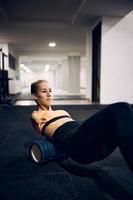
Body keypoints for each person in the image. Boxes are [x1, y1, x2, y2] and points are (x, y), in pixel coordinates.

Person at [31, 79, 133, 171]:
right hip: (76, 147)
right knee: (121, 107)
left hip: (96, 146)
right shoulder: (37, 115)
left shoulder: (62, 111)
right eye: (44, 91)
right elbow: (35, 120)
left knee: (129, 109)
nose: (49, 94)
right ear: (35, 96)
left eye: (50, 90)